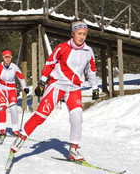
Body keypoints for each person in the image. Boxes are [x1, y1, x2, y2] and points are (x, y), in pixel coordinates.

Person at [10, 20, 99, 161]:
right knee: (41, 116)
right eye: (79, 33)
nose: (82, 37)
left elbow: (91, 70)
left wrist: (94, 87)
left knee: (77, 117)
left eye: (84, 34)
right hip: (57, 85)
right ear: (73, 33)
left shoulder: (89, 51)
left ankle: (74, 150)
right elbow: (50, 64)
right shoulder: (62, 48)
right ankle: (21, 138)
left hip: (74, 88)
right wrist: (42, 82)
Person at [0, 49, 29, 139]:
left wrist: (24, 87)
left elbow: (21, 78)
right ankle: (2, 129)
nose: (8, 59)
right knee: (2, 107)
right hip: (0, 88)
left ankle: (16, 129)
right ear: (3, 58)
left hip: (11, 88)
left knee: (13, 107)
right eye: (6, 57)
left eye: (9, 57)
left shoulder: (14, 67)